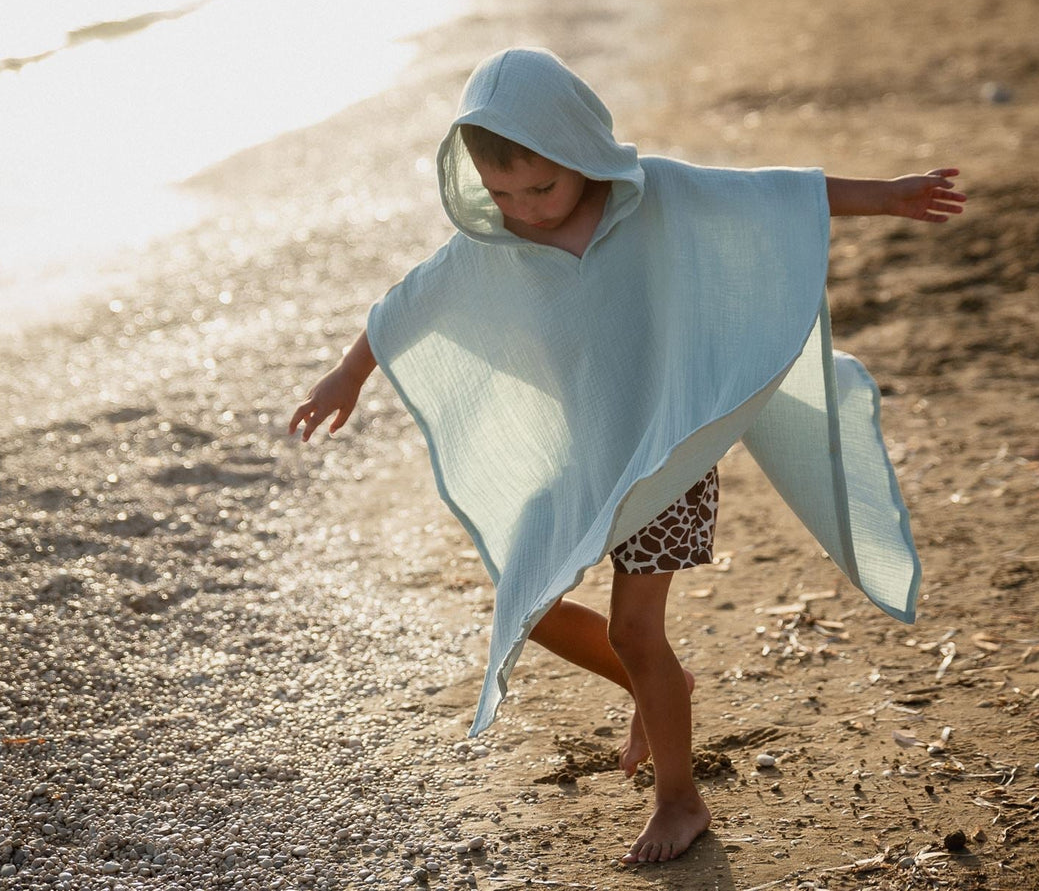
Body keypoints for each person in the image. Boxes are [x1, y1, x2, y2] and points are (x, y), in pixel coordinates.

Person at [289, 48, 965, 864]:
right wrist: (346, 374)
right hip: (588, 459)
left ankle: (680, 799)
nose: (525, 208)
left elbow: (768, 195)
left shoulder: (652, 195)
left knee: (636, 629)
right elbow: (409, 303)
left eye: (541, 187)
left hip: (668, 452)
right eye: (501, 193)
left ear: (580, 151)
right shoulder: (496, 241)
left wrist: (885, 196)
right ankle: (661, 688)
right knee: (525, 604)